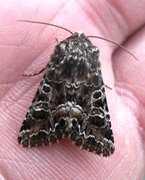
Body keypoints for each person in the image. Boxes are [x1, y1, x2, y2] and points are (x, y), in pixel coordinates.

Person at [0, 1, 144, 179]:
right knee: (97, 104)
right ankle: (95, 136)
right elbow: (97, 75)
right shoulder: (92, 54)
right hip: (87, 103)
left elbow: (48, 67)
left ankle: (37, 130)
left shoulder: (62, 48)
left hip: (51, 97)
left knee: (39, 111)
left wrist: (38, 72)